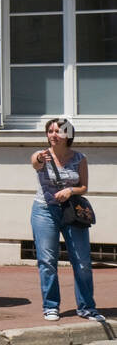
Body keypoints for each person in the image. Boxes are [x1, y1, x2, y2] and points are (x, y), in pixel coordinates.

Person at [30, 118, 103, 321]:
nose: (54, 135)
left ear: (68, 135)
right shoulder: (41, 155)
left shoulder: (79, 158)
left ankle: (87, 307)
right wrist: (39, 158)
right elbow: (35, 162)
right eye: (50, 131)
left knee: (82, 261)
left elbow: (84, 187)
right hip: (44, 211)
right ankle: (51, 306)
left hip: (72, 212)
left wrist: (70, 190)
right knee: (47, 261)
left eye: (59, 131)